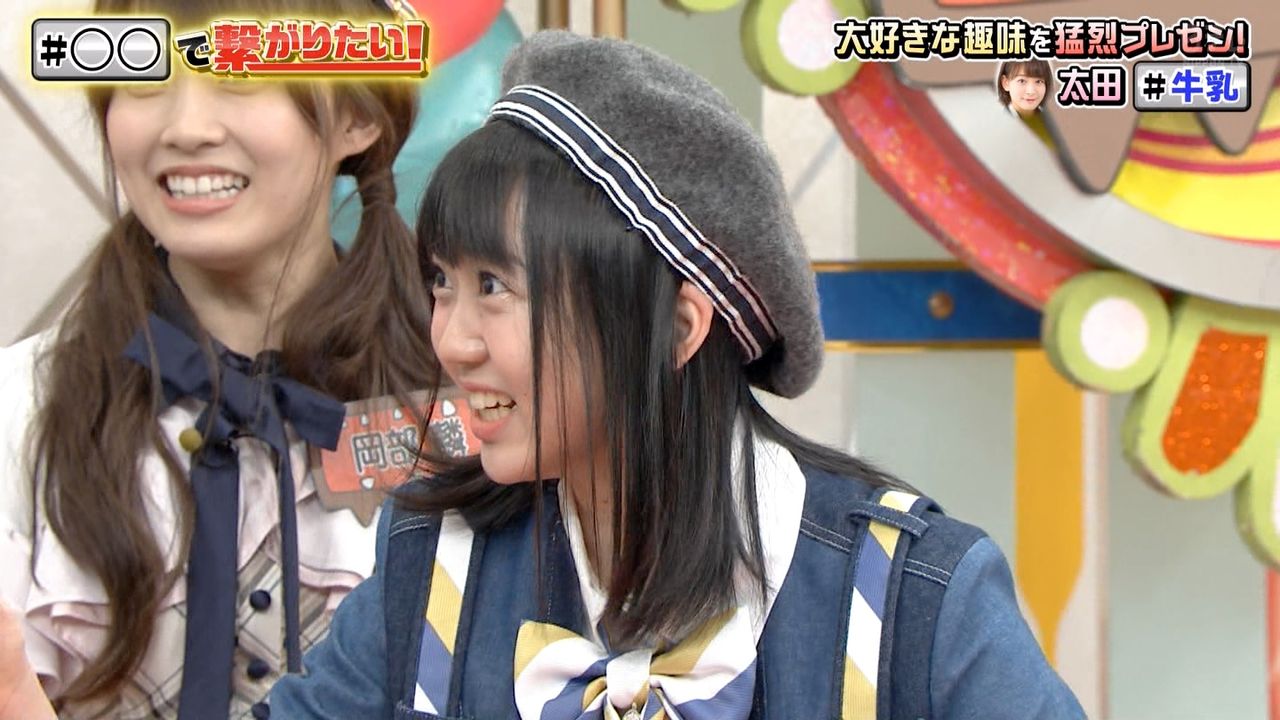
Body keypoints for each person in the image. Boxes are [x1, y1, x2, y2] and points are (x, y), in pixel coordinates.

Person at [268, 31, 1087, 719]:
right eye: (442, 282)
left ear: (678, 328)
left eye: (494, 287)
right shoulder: (433, 562)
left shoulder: (914, 599)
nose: (450, 341)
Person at [0, 0, 435, 716]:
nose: (187, 128)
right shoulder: (20, 412)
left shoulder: (469, 418)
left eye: (241, 74)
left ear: (358, 116)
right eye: (145, 74)